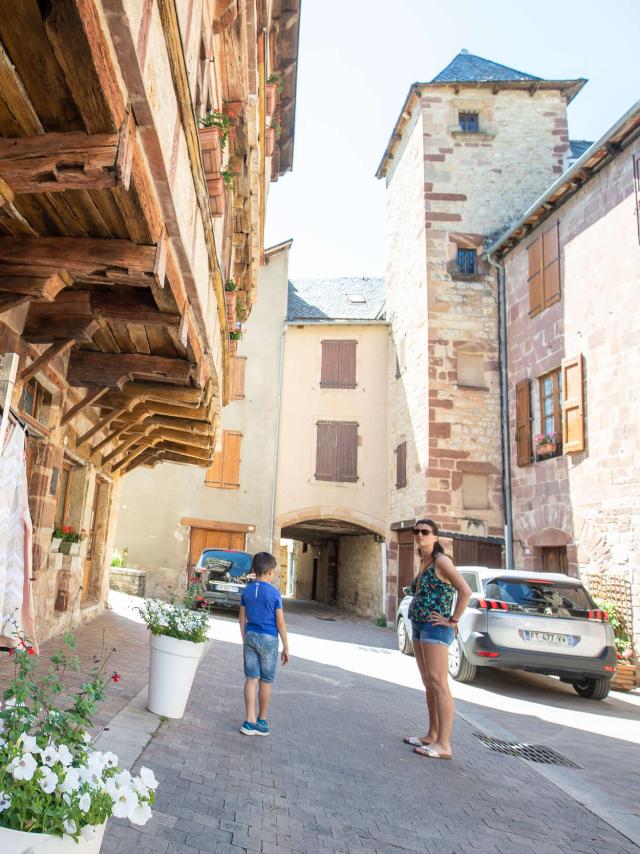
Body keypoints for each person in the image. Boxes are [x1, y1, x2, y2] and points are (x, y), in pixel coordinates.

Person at [402, 519, 471, 760]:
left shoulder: (442, 561)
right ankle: (432, 734)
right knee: (428, 682)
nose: (419, 535)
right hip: (420, 624)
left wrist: (453, 620)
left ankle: (444, 744)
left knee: (439, 683)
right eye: (417, 531)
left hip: (435, 627)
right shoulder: (424, 561)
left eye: (425, 532)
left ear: (435, 537)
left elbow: (465, 590)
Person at [238, 551, 289, 736]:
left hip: (251, 634)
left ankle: (249, 721)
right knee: (265, 681)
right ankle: (261, 720)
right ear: (269, 572)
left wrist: (246, 639)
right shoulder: (275, 594)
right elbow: (280, 623)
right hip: (269, 639)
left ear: (254, 570)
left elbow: (242, 618)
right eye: (273, 571)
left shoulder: (247, 591)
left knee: (251, 679)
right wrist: (286, 647)